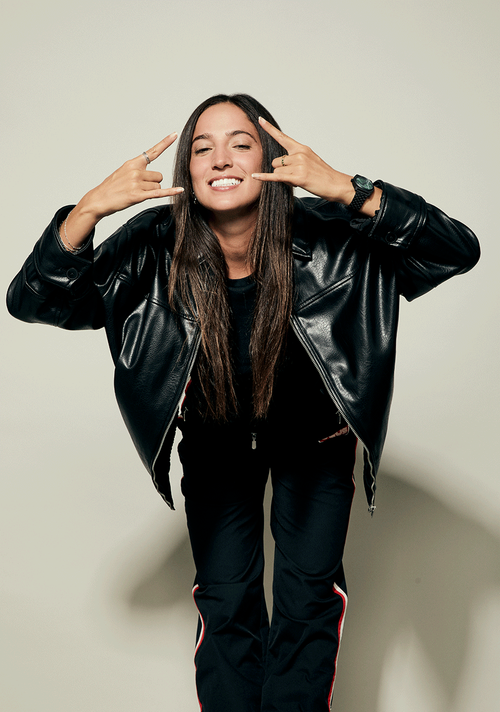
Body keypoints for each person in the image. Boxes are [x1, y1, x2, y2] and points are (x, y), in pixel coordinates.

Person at [7, 93, 479, 711]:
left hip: (316, 442)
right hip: (216, 442)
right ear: (187, 168)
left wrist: (348, 189)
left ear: (272, 158)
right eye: (202, 148)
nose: (221, 159)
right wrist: (89, 209)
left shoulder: (331, 234)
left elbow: (456, 250)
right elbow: (35, 302)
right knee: (226, 601)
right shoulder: (153, 243)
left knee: (307, 601)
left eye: (241, 143)